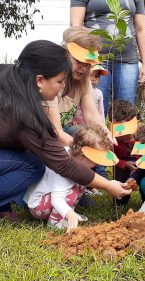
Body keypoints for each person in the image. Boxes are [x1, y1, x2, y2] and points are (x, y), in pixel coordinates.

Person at [0, 40, 131, 220]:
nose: (63, 87)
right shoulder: (24, 112)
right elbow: (63, 163)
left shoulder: (12, 77)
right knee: (33, 166)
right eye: (60, 81)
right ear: (39, 80)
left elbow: (91, 116)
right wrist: (108, 185)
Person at [24, 124, 116, 231]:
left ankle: (65, 214)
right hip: (38, 206)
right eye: (94, 161)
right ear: (82, 156)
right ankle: (55, 223)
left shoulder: (68, 153)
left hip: (45, 197)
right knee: (72, 191)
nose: (95, 165)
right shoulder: (63, 174)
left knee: (81, 183)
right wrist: (70, 215)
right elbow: (57, 200)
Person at [70, 0, 145, 117]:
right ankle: (97, 135)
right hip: (96, 59)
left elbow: (141, 28)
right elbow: (76, 26)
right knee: (96, 108)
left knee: (125, 112)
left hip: (127, 60)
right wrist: (84, 60)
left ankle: (120, 135)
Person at [43, 26, 111, 146]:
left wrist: (105, 135)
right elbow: (56, 131)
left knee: (92, 136)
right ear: (65, 54)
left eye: (88, 64)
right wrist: (82, 149)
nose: (83, 68)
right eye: (79, 61)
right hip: (45, 133)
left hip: (66, 130)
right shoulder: (52, 79)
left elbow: (91, 115)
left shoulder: (84, 81)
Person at [109, 100, 138, 206]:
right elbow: (110, 157)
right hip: (122, 164)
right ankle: (119, 203)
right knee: (120, 177)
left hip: (141, 165)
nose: (123, 136)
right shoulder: (112, 140)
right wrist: (124, 164)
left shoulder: (142, 136)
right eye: (119, 132)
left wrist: (139, 167)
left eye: (127, 131)